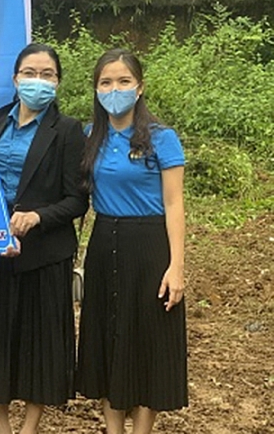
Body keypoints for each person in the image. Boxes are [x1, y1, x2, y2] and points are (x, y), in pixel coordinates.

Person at [0, 43, 88, 434]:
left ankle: (29, 427)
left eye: (47, 74)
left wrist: (38, 217)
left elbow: (77, 200)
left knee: (39, 348)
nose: (38, 81)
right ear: (15, 78)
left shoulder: (67, 131)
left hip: (44, 255)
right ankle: (2, 426)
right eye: (30, 73)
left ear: (58, 82)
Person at [76, 49, 187, 434]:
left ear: (139, 88)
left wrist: (176, 267)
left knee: (147, 343)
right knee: (108, 341)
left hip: (149, 248)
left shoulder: (161, 139)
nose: (115, 89)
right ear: (96, 89)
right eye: (106, 82)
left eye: (124, 81)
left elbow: (174, 204)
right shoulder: (89, 137)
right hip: (104, 244)